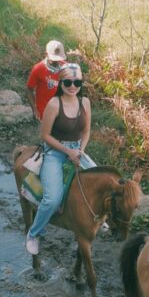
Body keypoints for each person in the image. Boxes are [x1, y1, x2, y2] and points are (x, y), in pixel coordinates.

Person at [25, 62, 94, 255]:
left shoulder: (85, 102)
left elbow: (87, 131)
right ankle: (33, 233)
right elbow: (45, 136)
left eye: (77, 82)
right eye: (68, 82)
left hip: (77, 150)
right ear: (60, 83)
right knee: (52, 199)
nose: (73, 86)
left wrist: (80, 150)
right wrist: (67, 151)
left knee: (103, 182)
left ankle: (97, 221)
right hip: (55, 152)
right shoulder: (54, 104)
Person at [26, 40, 67, 120]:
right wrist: (34, 109)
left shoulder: (65, 67)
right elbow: (29, 89)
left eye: (58, 59)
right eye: (53, 59)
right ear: (46, 54)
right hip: (44, 112)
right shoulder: (38, 69)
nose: (56, 62)